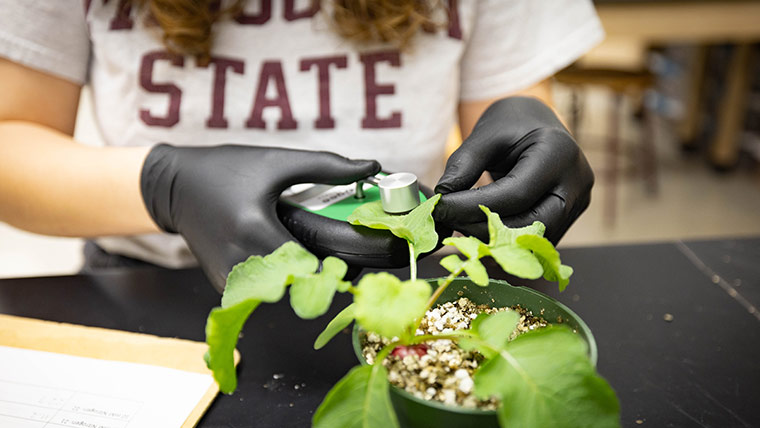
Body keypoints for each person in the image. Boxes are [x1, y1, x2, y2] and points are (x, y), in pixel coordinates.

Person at [0, 0, 601, 291]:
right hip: (153, 282)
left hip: (401, 279)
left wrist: (531, 132)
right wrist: (164, 185)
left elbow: (511, 107)